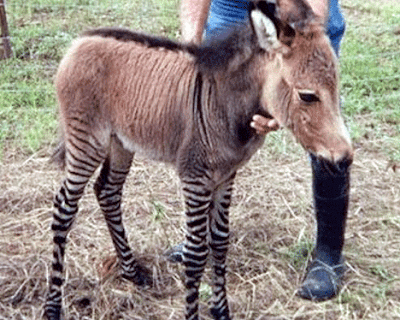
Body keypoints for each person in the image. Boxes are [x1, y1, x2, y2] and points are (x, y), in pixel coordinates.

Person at [173, 0, 351, 301]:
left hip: (305, 11)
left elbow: (312, 14)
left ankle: (328, 255)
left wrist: (288, 98)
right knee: (216, 111)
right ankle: (201, 235)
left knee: (318, 113)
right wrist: (191, 51)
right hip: (233, 6)